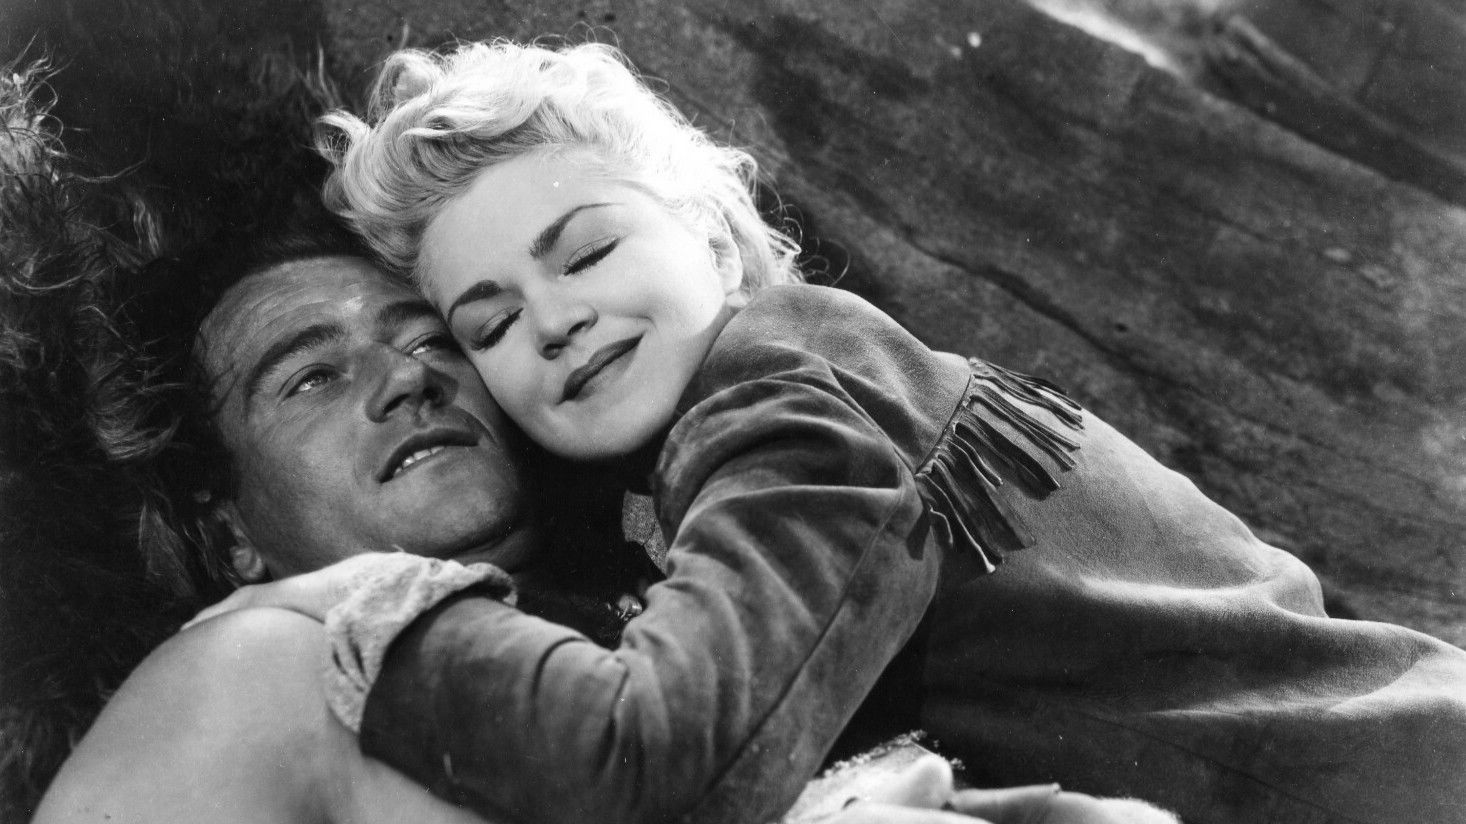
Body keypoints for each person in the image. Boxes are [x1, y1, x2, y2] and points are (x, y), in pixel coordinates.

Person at [214, 39, 1466, 824]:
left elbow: (668, 757)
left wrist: (362, 618)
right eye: (485, 322)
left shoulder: (791, 396)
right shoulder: (734, 433)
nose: (551, 319)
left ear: (715, 239)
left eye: (585, 251)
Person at [21, 209, 1161, 824]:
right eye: (311, 376)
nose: (407, 379)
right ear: (229, 532)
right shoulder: (259, 662)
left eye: (440, 340)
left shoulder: (700, 608)